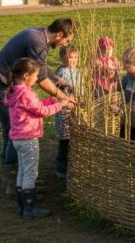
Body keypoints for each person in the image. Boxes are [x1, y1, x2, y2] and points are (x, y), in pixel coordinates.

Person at [0, 18, 74, 195]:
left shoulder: (39, 36)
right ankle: (13, 180)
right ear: (59, 35)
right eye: (67, 40)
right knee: (13, 131)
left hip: (2, 85)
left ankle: (21, 179)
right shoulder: (37, 42)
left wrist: (57, 79)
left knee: (11, 132)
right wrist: (61, 96)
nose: (66, 43)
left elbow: (40, 67)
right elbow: (40, 79)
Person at [4, 58, 72, 218]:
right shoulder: (26, 92)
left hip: (18, 139)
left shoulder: (15, 91)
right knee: (30, 173)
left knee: (22, 170)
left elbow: (34, 106)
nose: (37, 80)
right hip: (28, 139)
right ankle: (30, 208)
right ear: (26, 75)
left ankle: (22, 205)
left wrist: (52, 100)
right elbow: (41, 111)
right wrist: (61, 105)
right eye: (35, 77)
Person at [53, 45, 80, 180]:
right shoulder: (61, 73)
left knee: (72, 138)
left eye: (75, 57)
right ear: (63, 58)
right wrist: (68, 99)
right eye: (70, 57)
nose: (73, 60)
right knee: (64, 140)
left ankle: (70, 164)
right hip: (63, 110)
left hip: (74, 109)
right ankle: (61, 168)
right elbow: (58, 91)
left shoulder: (77, 71)